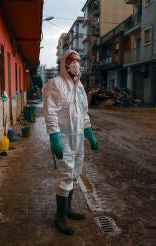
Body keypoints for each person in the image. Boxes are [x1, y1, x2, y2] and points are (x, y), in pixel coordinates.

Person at [42, 50, 99, 235]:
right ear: (64, 63)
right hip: (64, 139)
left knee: (74, 174)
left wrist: (89, 132)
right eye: (71, 60)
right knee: (65, 176)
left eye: (78, 60)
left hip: (78, 139)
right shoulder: (56, 84)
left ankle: (68, 209)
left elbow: (83, 113)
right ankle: (60, 217)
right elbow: (50, 112)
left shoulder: (79, 85)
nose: (75, 63)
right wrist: (54, 137)